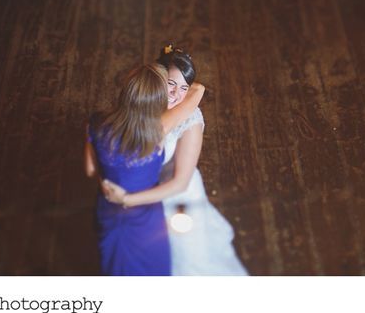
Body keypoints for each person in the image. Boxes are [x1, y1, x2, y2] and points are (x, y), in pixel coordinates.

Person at [102, 48, 247, 276]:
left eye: (183, 88)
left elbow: (180, 183)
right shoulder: (144, 103)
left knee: (186, 260)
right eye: (171, 83)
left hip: (175, 197)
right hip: (146, 192)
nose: (176, 94)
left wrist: (127, 199)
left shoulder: (189, 118)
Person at [84, 63, 204, 275]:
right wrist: (126, 199)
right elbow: (198, 92)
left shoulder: (95, 124)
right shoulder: (158, 132)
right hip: (144, 213)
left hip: (109, 208)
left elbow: (91, 170)